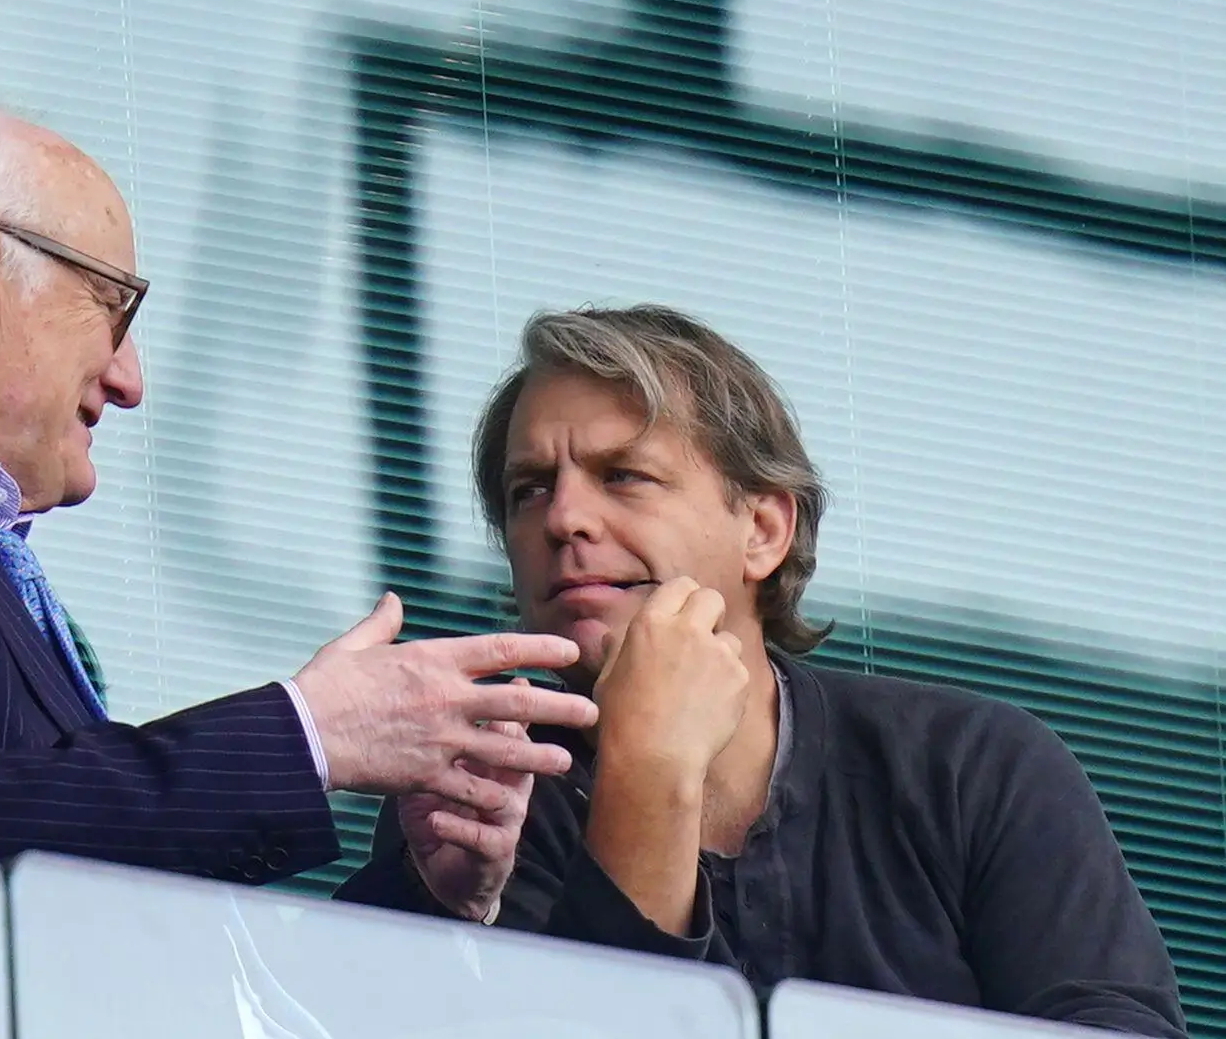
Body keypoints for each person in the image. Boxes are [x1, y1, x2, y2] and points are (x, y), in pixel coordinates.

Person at [0, 97, 596, 886]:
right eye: (113, 307)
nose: (130, 378)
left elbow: (111, 917)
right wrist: (308, 737)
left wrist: (428, 889)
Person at [335, 304, 1186, 1037]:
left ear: (765, 532)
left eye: (623, 476)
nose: (563, 518)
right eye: (528, 490)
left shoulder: (972, 767)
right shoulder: (482, 800)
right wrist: (650, 771)